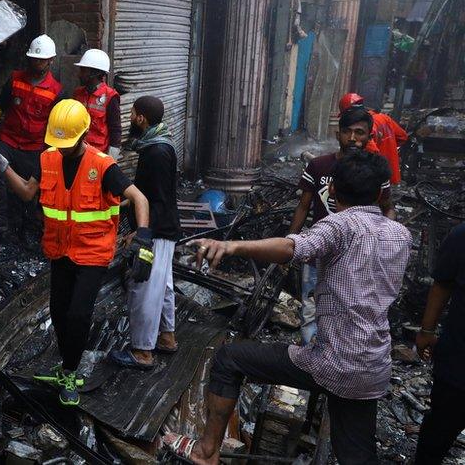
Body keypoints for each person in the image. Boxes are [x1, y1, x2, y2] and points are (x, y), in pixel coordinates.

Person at [164, 150, 412, 465]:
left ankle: (205, 452)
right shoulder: (400, 236)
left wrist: (232, 245)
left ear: (331, 189)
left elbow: (292, 247)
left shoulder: (340, 225)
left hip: (332, 362)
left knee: (230, 359)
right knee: (357, 453)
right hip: (374, 365)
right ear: (379, 193)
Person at [7, 99, 153, 406]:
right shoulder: (46, 159)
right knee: (59, 311)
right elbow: (26, 192)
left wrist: (144, 239)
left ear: (83, 134)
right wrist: (0, 165)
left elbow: (139, 198)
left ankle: (71, 373)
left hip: (92, 253)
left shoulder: (102, 166)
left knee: (78, 313)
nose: (61, 149)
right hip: (59, 250)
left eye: (67, 144)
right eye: (58, 144)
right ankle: (66, 366)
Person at [287, 106, 396, 344]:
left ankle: (339, 362)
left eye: (360, 132)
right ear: (338, 134)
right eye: (348, 132)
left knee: (351, 310)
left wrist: (383, 242)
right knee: (311, 308)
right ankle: (312, 360)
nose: (353, 138)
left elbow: (387, 207)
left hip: (357, 256)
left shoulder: (375, 171)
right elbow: (303, 206)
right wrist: (291, 243)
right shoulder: (318, 166)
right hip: (318, 252)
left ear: (370, 136)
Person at [109, 96, 180, 370]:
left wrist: (142, 232)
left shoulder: (156, 152)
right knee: (163, 287)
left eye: (132, 114)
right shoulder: (159, 146)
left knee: (144, 289)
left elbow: (156, 199)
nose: (129, 118)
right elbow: (146, 192)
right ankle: (166, 337)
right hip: (164, 228)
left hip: (157, 230)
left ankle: (142, 352)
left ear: (141, 118)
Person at [0, 34, 63, 248]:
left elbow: (56, 126)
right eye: (33, 59)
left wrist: (50, 152)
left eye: (41, 59)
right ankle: (2, 225)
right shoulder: (15, 79)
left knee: (27, 191)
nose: (36, 62)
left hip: (34, 147)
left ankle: (27, 228)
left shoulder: (56, 91)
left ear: (51, 60)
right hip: (8, 141)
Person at [414, 222, 465, 464]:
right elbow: (443, 284)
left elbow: (443, 285)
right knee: (437, 434)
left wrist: (426, 331)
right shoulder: (462, 235)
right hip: (458, 363)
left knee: (438, 433)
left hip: (457, 364)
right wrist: (426, 330)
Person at [339, 93, 408, 185]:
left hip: (377, 180)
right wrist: (389, 147)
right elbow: (403, 137)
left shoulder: (365, 128)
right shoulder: (384, 118)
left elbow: (372, 152)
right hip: (393, 175)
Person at [71, 49, 121, 157]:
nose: (79, 75)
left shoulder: (110, 97)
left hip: (97, 155)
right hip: (77, 153)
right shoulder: (77, 94)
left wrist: (110, 160)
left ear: (95, 73)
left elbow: (115, 130)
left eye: (83, 71)